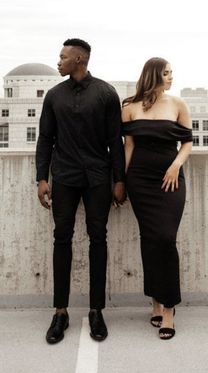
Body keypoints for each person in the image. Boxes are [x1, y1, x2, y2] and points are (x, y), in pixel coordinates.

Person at [36, 38, 125, 344]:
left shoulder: (106, 93)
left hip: (99, 178)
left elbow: (117, 141)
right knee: (61, 238)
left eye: (63, 57)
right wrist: (41, 179)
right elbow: (45, 138)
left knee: (98, 239)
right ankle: (60, 312)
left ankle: (96, 310)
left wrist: (119, 181)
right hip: (64, 177)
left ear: (79, 60)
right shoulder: (54, 95)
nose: (58, 61)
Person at [122, 57, 192, 340]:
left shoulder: (178, 104)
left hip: (170, 179)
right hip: (139, 180)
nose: (171, 77)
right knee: (150, 240)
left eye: (172, 72)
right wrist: (123, 182)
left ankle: (170, 309)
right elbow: (128, 147)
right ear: (153, 75)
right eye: (166, 73)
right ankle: (156, 302)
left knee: (165, 238)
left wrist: (175, 165)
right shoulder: (128, 108)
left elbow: (187, 142)